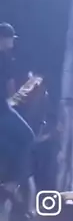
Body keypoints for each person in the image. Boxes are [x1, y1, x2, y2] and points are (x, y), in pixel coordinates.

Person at [0, 23, 35, 194]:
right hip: (2, 110)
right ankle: (12, 182)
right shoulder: (5, 59)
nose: (12, 43)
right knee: (28, 136)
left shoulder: (5, 58)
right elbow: (11, 89)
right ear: (3, 39)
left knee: (8, 143)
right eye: (10, 39)